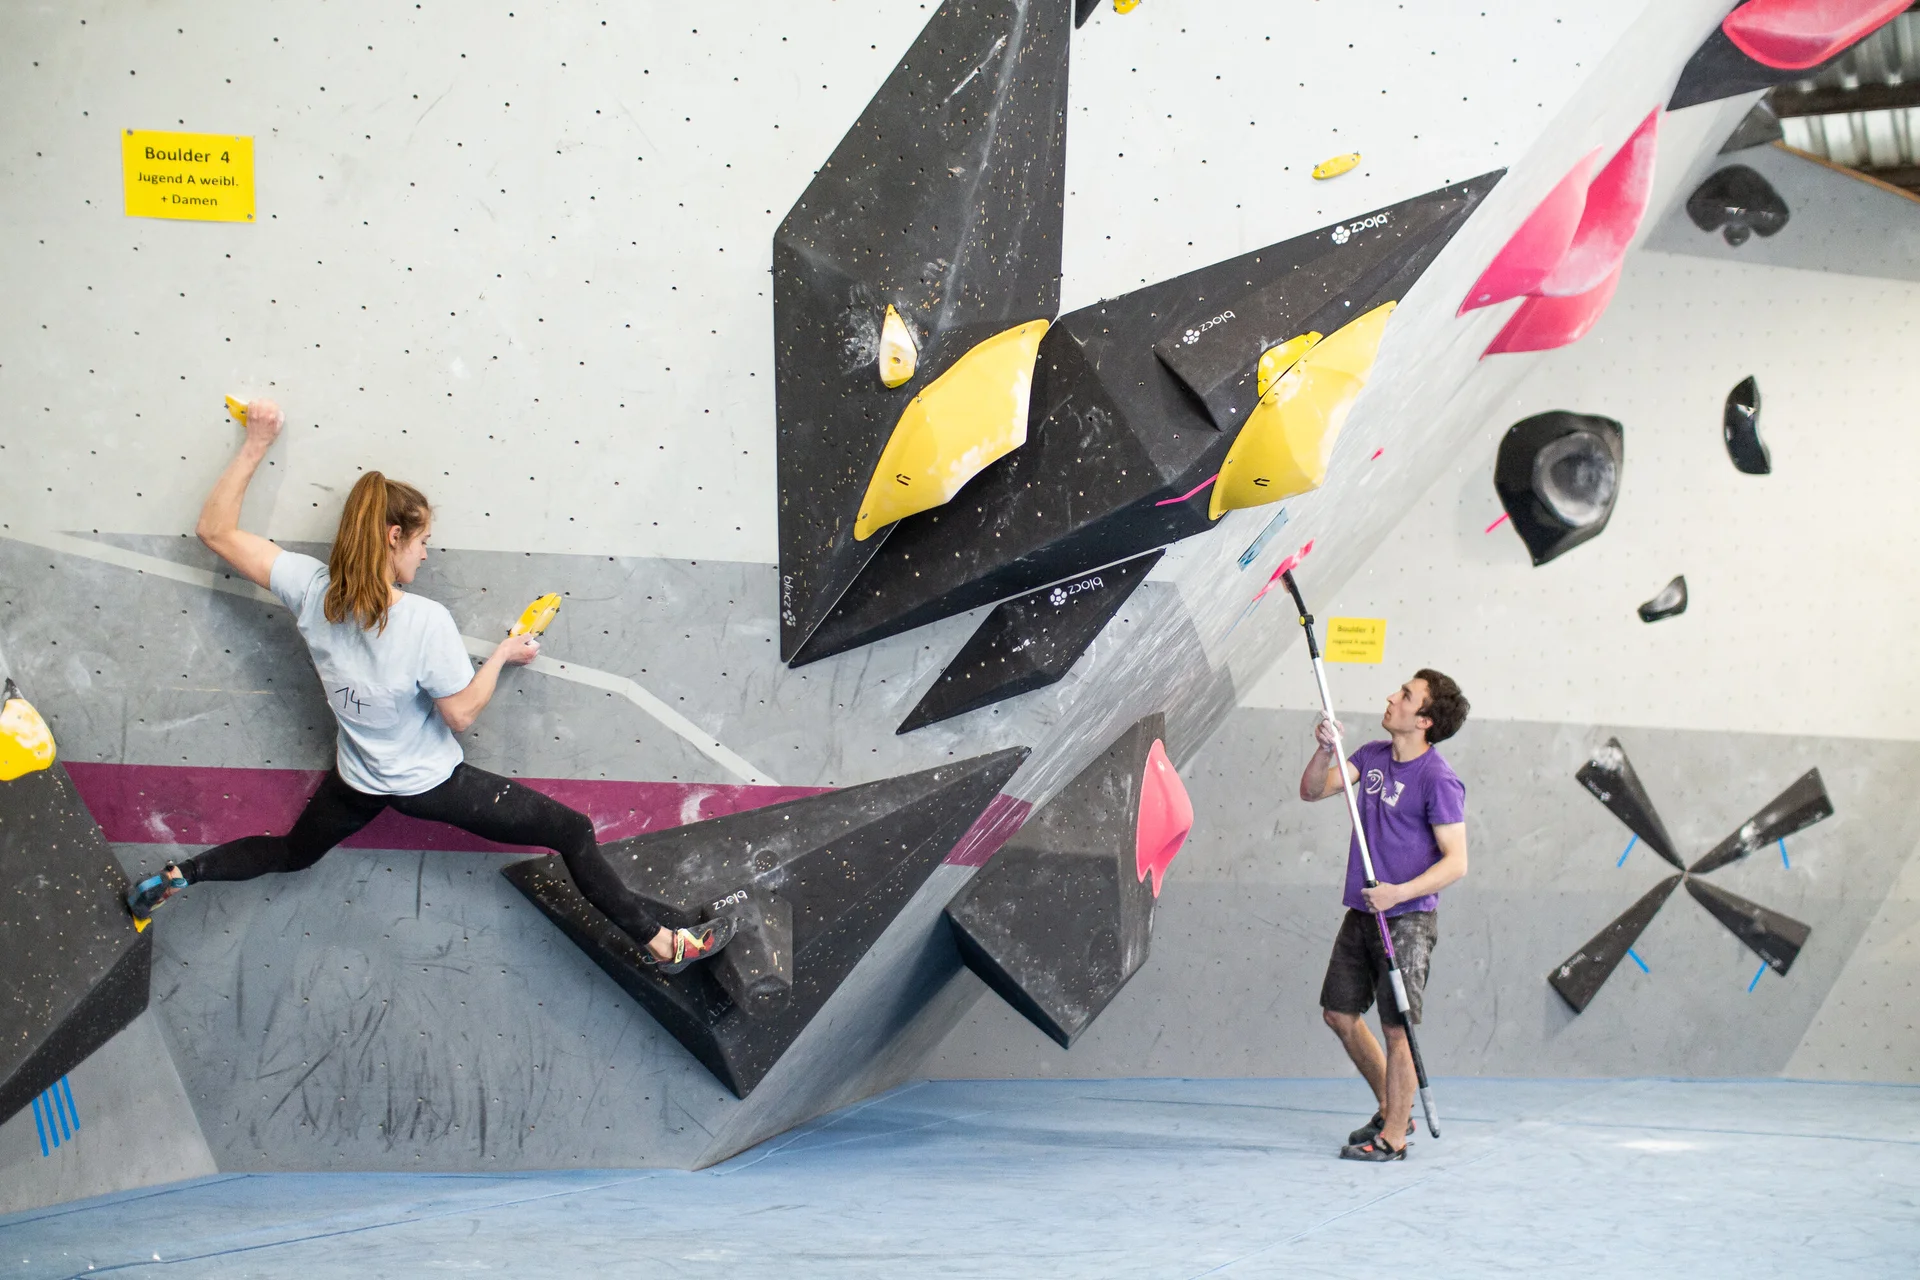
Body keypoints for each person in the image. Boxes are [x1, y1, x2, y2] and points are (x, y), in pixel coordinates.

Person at [126, 398, 734, 974]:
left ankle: (180, 876)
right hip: (428, 785)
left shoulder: (310, 590)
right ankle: (664, 945)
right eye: (421, 542)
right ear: (394, 536)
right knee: (571, 831)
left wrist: (257, 440)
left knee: (292, 853)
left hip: (356, 781)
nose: (425, 554)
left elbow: (215, 530)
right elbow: (460, 714)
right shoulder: (423, 620)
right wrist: (503, 654)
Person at [1298, 669, 1469, 1162]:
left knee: (1398, 1029)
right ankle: (1393, 1108)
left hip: (1407, 919)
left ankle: (1394, 1137)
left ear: (1425, 720)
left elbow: (1456, 862)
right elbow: (1313, 790)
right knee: (1339, 1013)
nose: (1392, 697)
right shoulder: (1372, 756)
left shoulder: (1437, 779)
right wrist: (1325, 750)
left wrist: (1399, 894)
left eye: (1407, 695)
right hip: (1365, 911)